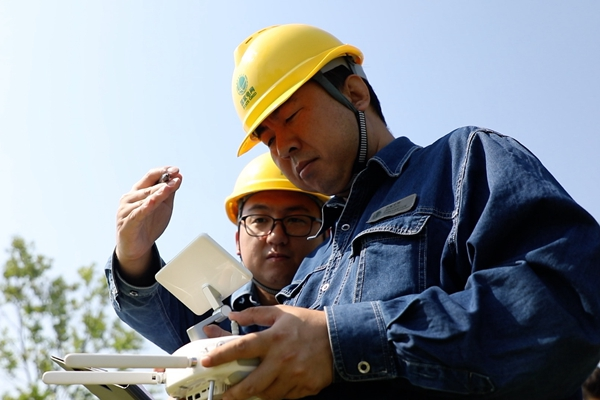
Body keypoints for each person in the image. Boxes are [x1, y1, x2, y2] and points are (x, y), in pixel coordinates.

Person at [200, 24, 600, 399]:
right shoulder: (312, 267)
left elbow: (566, 304)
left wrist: (343, 341)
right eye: (267, 137)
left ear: (355, 93)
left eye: (290, 117)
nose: (283, 146)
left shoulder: (463, 162)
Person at [104, 152, 329, 354]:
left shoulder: (348, 302)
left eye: (296, 220)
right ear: (238, 240)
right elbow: (152, 309)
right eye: (260, 220)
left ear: (327, 235)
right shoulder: (208, 313)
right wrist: (133, 255)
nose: (276, 236)